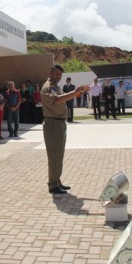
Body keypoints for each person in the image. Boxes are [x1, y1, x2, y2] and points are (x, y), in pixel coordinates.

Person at [41, 65, 88, 194]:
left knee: (58, 155)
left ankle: (56, 181)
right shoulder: (49, 87)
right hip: (53, 124)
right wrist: (75, 92)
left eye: (60, 74)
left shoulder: (55, 86)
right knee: (54, 156)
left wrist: (77, 92)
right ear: (50, 73)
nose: (58, 76)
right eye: (56, 74)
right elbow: (57, 100)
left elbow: (61, 98)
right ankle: (53, 184)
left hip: (58, 123)